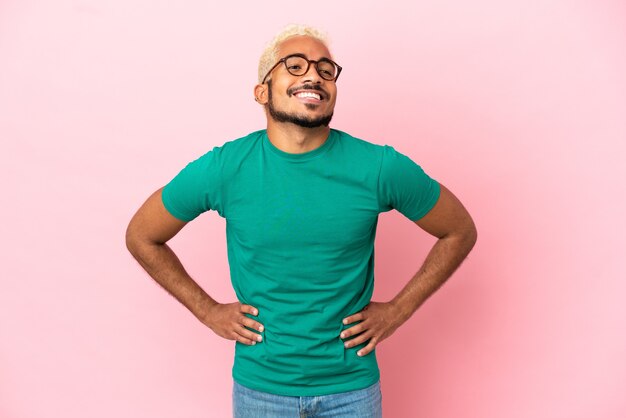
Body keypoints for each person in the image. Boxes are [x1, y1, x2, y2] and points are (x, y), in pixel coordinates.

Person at [125, 24, 477, 418]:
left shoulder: (378, 167)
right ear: (262, 91)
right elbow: (142, 235)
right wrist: (207, 311)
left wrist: (399, 310)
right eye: (294, 65)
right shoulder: (226, 168)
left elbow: (458, 230)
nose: (313, 75)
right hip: (260, 390)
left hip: (352, 392)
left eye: (326, 70)